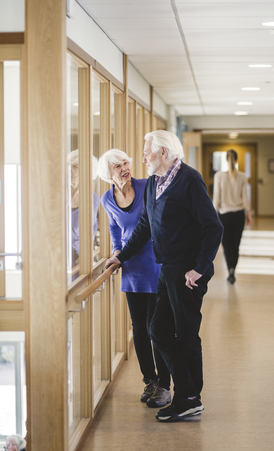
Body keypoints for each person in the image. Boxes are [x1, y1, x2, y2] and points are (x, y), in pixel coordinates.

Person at [105, 131, 223, 422]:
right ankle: (186, 392)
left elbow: (213, 227)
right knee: (157, 330)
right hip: (166, 269)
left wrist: (199, 266)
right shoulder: (154, 185)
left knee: (185, 334)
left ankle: (189, 398)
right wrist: (120, 256)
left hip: (188, 273)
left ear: (164, 153)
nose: (142, 157)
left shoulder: (189, 180)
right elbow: (144, 225)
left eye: (147, 152)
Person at [98, 148, 171, 408]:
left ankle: (165, 385)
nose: (124, 167)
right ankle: (150, 381)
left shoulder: (147, 186)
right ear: (109, 174)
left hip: (155, 264)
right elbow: (113, 226)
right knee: (139, 330)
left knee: (157, 329)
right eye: (117, 166)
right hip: (130, 268)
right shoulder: (107, 199)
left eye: (126, 162)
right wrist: (116, 250)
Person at [213, 149, 252, 284]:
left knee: (227, 244)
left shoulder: (218, 176)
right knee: (236, 244)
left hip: (224, 215)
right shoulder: (242, 176)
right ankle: (232, 270)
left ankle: (229, 267)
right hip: (239, 215)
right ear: (236, 160)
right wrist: (248, 214)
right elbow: (246, 198)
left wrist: (213, 215)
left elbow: (216, 198)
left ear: (226, 160)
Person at [67, 150, 100, 266]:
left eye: (75, 166)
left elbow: (91, 229)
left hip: (77, 258)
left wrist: (85, 254)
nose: (69, 170)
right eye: (68, 165)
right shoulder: (56, 195)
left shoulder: (92, 199)